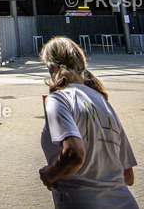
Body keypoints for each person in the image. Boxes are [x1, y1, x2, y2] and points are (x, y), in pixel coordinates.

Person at [38, 36, 137, 208]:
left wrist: (50, 174)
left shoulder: (58, 99)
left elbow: (75, 154)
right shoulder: (103, 102)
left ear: (51, 67)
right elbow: (128, 175)